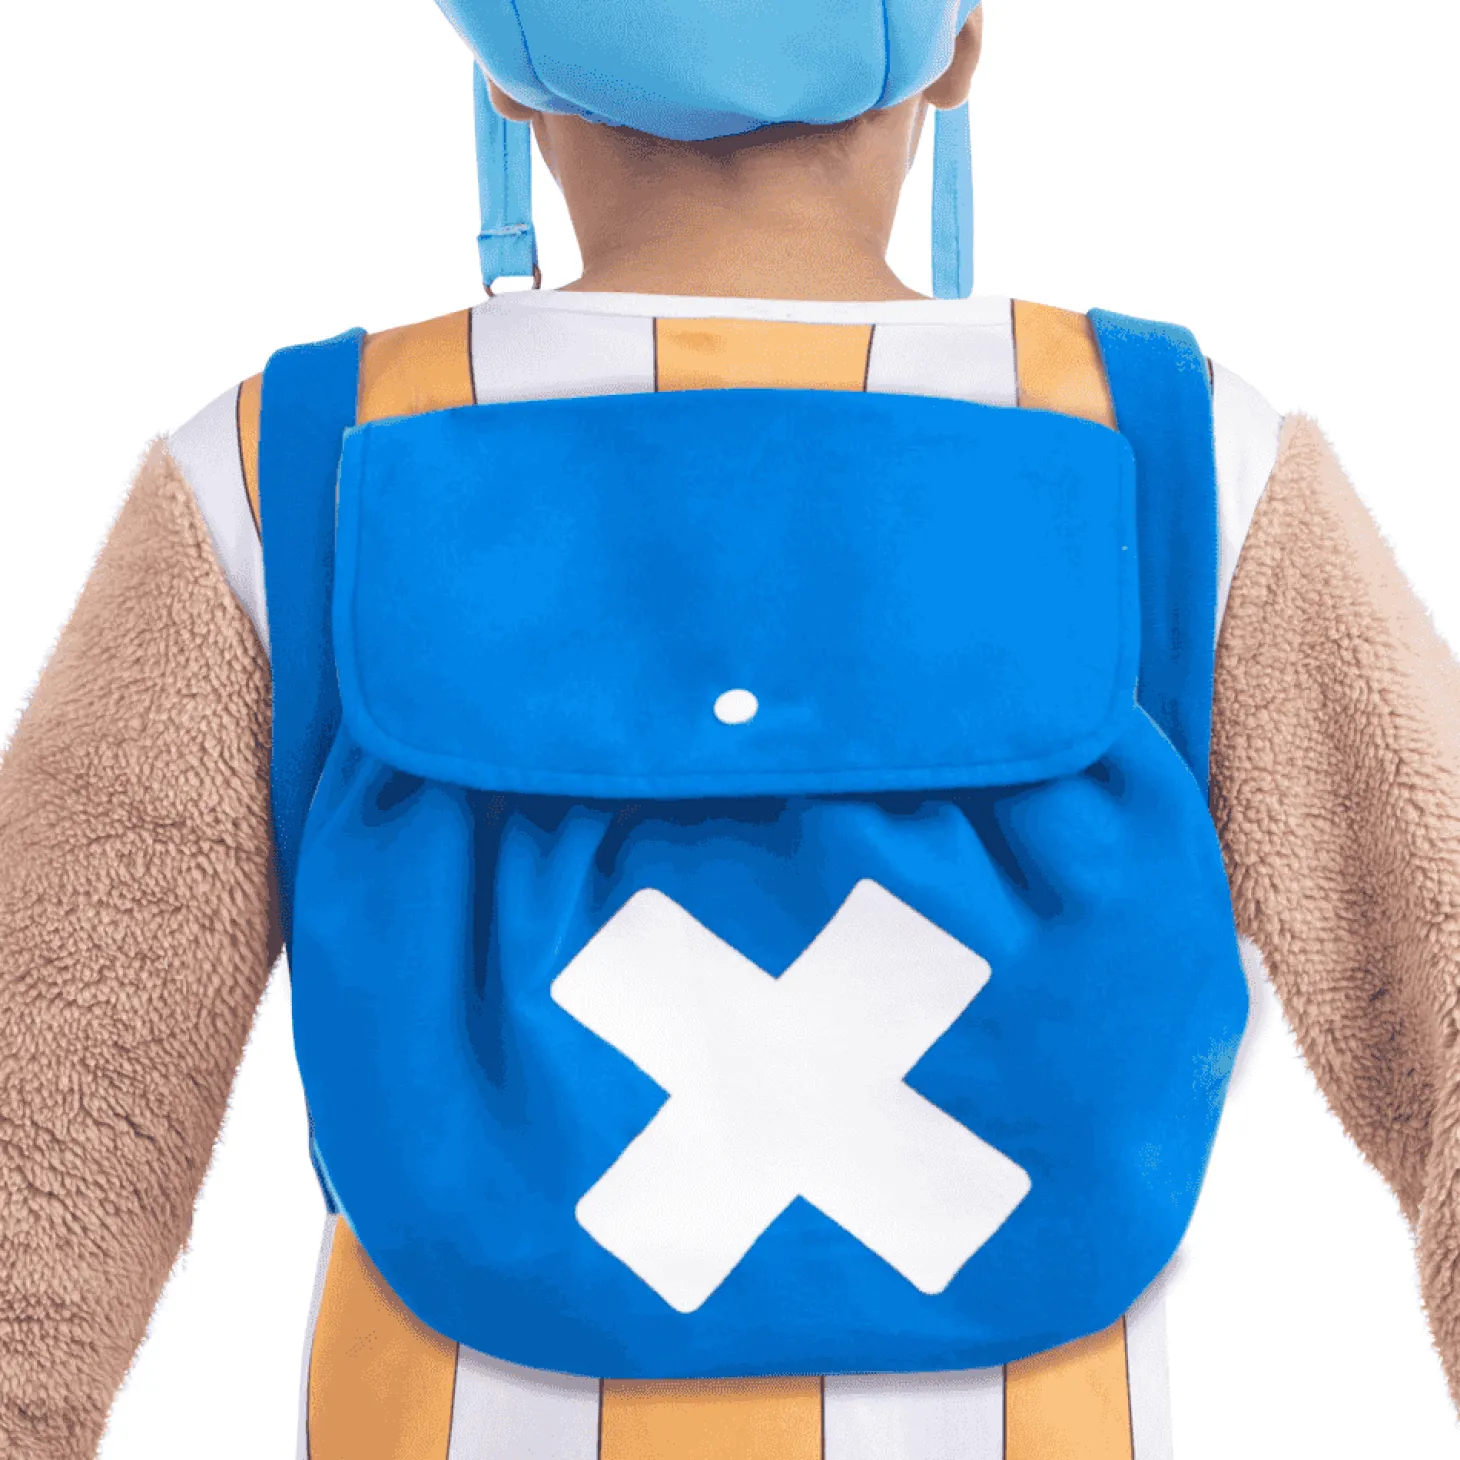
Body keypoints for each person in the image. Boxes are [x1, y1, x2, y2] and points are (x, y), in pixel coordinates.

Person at [3, 3, 1460, 1458]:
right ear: (959, 47)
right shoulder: (1188, 458)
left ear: (503, 76)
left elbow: (48, 1125)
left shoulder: (282, 473)